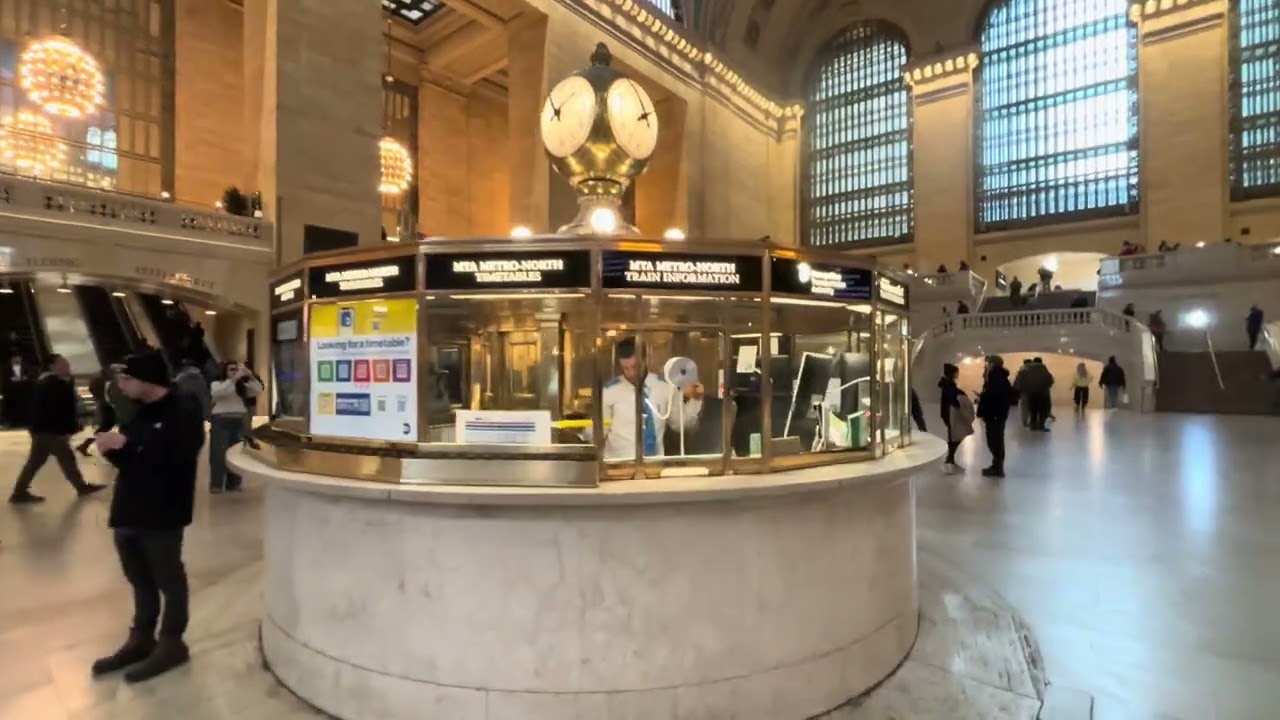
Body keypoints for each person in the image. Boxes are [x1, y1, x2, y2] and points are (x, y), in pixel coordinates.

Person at [91, 350, 205, 683]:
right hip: (129, 508)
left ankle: (171, 643)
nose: (121, 385)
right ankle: (141, 639)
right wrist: (113, 450)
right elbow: (133, 462)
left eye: (126, 378)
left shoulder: (183, 411)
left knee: (169, 579)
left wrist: (127, 447)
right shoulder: (138, 413)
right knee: (139, 579)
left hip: (162, 512)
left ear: (147, 379)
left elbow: (175, 462)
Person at [9, 355, 107, 503]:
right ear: (52, 367)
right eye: (63, 364)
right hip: (49, 431)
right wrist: (67, 429)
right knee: (46, 461)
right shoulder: (51, 383)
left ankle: (79, 486)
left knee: (52, 460)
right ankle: (19, 492)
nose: (67, 366)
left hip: (45, 430)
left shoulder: (51, 382)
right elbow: (58, 409)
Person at [601, 337, 703, 460]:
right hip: (617, 463)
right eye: (626, 369)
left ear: (646, 360)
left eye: (635, 367)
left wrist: (695, 400)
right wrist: (581, 431)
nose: (631, 373)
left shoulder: (666, 387)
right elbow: (600, 431)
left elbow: (680, 424)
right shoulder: (609, 391)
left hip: (654, 465)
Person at [209, 360, 261, 493]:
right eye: (231, 369)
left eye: (236, 369)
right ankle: (216, 484)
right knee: (218, 453)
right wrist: (233, 380)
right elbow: (218, 393)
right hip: (221, 420)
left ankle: (234, 483)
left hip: (239, 420)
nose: (234, 372)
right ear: (224, 372)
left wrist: (250, 375)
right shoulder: (217, 384)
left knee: (236, 453)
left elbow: (258, 389)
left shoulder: (242, 386)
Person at [976, 355, 1015, 479]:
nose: (985, 366)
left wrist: (983, 398)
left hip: (995, 415)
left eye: (987, 363)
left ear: (992, 364)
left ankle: (998, 468)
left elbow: (995, 396)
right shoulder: (996, 377)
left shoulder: (996, 378)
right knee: (994, 440)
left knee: (995, 441)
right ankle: (996, 466)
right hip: (996, 414)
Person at [938, 363, 972, 473]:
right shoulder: (948, 385)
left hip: (949, 413)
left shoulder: (947, 384)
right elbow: (953, 398)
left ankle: (950, 459)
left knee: (954, 436)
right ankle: (949, 460)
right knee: (955, 437)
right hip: (951, 414)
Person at [76, 367, 117, 456]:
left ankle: (85, 445)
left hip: (105, 404)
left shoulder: (98, 379)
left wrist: (99, 397)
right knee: (105, 427)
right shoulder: (105, 380)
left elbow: (91, 389)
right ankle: (85, 445)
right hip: (107, 405)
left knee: (106, 426)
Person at [1020, 357, 1055, 431]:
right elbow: (1050, 380)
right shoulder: (1043, 369)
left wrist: (1026, 389)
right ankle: (1041, 425)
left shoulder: (1026, 369)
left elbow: (1021, 380)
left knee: (1033, 409)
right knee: (1043, 409)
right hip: (1043, 393)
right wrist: (1046, 386)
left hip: (1031, 393)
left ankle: (1033, 425)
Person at [1014, 359, 1033, 427]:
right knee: (1032, 407)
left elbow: (1017, 382)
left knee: (1025, 407)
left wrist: (1018, 390)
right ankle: (1031, 421)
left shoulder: (1021, 371)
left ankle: (1025, 421)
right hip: (1032, 391)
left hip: (1024, 392)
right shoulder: (1032, 371)